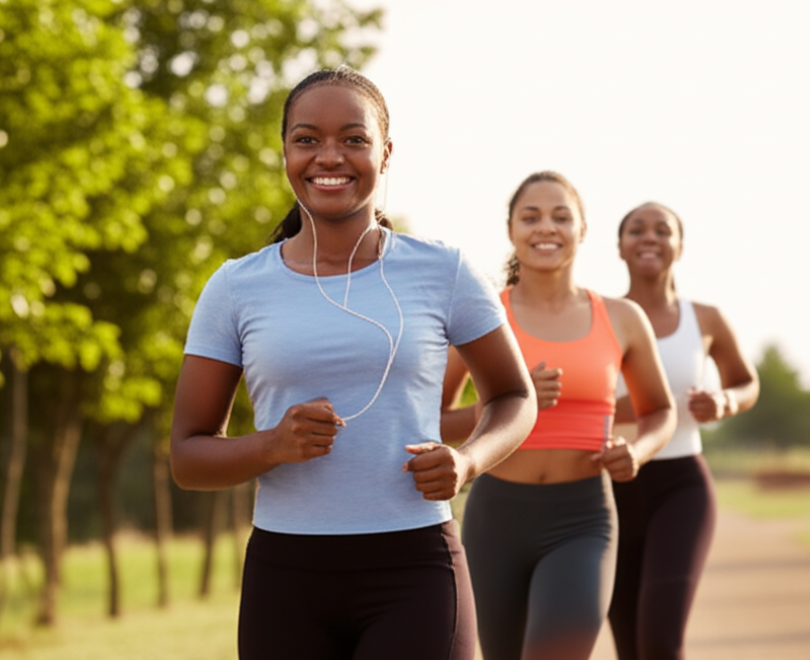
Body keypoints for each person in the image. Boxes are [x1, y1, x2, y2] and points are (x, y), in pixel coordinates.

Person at [169, 67, 537, 660]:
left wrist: (467, 462)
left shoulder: (444, 271)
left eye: (354, 138)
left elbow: (516, 398)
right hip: (285, 576)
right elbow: (187, 456)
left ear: (385, 153)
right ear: (285, 152)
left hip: (414, 566)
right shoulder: (235, 287)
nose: (329, 156)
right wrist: (271, 445)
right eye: (307, 139)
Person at [441, 171, 676, 660]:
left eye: (561, 216)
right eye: (531, 216)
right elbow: (431, 420)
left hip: (583, 518)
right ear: (511, 230)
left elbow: (660, 411)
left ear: (583, 230)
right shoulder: (480, 316)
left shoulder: (622, 318)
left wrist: (638, 450)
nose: (545, 227)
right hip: (494, 517)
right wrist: (506, 402)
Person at [607, 201, 760, 660]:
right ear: (620, 247)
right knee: (630, 646)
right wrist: (629, 408)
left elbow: (747, 382)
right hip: (609, 491)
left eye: (662, 230)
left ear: (679, 246)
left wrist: (724, 401)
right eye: (636, 230)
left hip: (682, 486)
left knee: (660, 640)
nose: (649, 237)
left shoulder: (706, 318)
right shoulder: (600, 316)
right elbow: (574, 400)